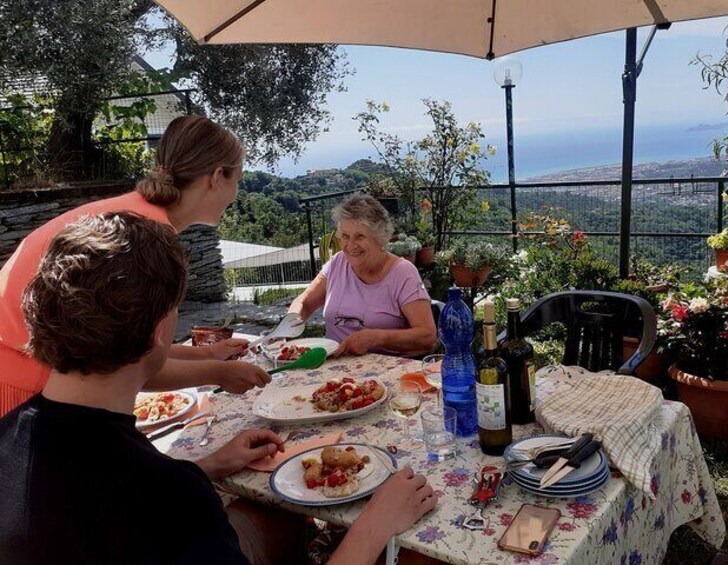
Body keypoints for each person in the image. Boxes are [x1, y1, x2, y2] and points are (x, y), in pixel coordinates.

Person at [0, 212, 437, 564]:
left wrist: (204, 466)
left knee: (271, 509)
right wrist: (375, 524)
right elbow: (146, 500)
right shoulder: (168, 497)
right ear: (159, 333)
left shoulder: (10, 436)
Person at [0, 116, 270, 417]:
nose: (235, 194)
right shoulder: (143, 241)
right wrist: (217, 372)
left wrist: (205, 354)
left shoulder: (131, 214)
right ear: (217, 176)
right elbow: (125, 368)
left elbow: (129, 346)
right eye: (237, 180)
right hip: (24, 389)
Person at [288, 195, 437, 356]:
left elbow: (427, 336)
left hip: (387, 371)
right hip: (333, 368)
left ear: (380, 239)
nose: (351, 245)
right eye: (345, 236)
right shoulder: (337, 263)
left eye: (360, 236)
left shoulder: (403, 273)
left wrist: (376, 338)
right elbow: (305, 302)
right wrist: (285, 328)